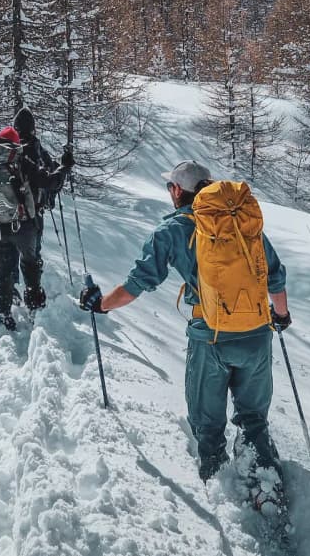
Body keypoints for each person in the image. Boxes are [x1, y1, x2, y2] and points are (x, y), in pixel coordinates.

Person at [78, 161, 291, 484]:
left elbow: (137, 285)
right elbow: (274, 276)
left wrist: (100, 304)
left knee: (207, 423)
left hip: (211, 338)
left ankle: (219, 486)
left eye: (170, 187)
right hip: (257, 334)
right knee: (253, 419)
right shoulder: (241, 221)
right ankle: (264, 483)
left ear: (178, 190)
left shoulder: (173, 230)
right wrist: (281, 315)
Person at [0, 115, 72, 329]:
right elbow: (51, 182)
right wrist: (64, 167)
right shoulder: (22, 160)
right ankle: (34, 306)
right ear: (15, 142)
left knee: (3, 272)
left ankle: (2, 313)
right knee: (30, 263)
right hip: (24, 226)